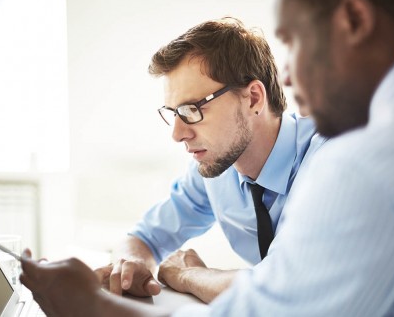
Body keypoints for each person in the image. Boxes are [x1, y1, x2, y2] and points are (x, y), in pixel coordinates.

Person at [20, 0, 394, 315]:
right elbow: (146, 235)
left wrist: (92, 306)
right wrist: (137, 263)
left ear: (354, 19)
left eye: (292, 43)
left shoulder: (361, 160)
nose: (286, 77)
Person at [90, 17, 317, 303]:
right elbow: (142, 238)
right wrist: (129, 264)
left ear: (253, 99)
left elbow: (286, 286)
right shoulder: (217, 168)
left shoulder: (329, 162)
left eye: (191, 110)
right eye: (174, 113)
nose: (177, 134)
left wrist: (188, 275)